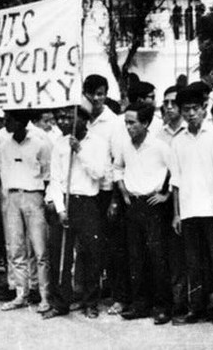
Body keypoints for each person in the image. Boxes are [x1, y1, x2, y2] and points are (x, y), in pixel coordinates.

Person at [169, 84, 213, 331]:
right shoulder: (178, 141)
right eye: (186, 110)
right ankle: (197, 308)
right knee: (193, 264)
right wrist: (176, 214)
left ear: (204, 108)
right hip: (188, 210)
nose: (191, 114)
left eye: (195, 108)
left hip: (211, 210)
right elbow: (176, 179)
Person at [44, 107, 108, 320]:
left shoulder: (97, 143)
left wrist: (80, 150)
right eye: (60, 117)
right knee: (60, 255)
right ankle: (60, 303)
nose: (63, 121)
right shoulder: (59, 144)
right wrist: (60, 209)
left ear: (83, 119)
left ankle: (90, 303)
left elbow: (99, 173)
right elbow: (54, 179)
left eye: (68, 117)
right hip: (65, 201)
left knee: (91, 255)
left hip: (88, 203)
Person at [114, 102, 173, 325]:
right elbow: (117, 168)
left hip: (153, 205)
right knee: (135, 257)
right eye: (126, 122)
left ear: (146, 123)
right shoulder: (124, 145)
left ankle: (162, 307)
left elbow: (174, 170)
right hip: (133, 205)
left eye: (132, 122)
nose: (128, 127)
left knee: (156, 258)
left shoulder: (159, 146)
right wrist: (123, 189)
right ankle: (140, 304)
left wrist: (165, 195)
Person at [83, 74, 129, 315]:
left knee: (113, 246)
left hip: (107, 192)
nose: (97, 98)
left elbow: (116, 160)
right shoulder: (82, 120)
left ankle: (119, 295)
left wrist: (113, 199)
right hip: (87, 191)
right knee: (91, 247)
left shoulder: (113, 122)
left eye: (101, 93)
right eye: (92, 94)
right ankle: (93, 293)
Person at [0, 109, 52, 313]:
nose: (5, 124)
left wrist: (42, 200)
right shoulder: (4, 145)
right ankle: (21, 294)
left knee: (39, 250)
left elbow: (47, 174)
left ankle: (45, 297)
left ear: (21, 122)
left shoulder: (40, 143)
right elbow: (4, 171)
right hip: (12, 196)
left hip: (33, 196)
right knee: (16, 247)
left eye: (9, 120)